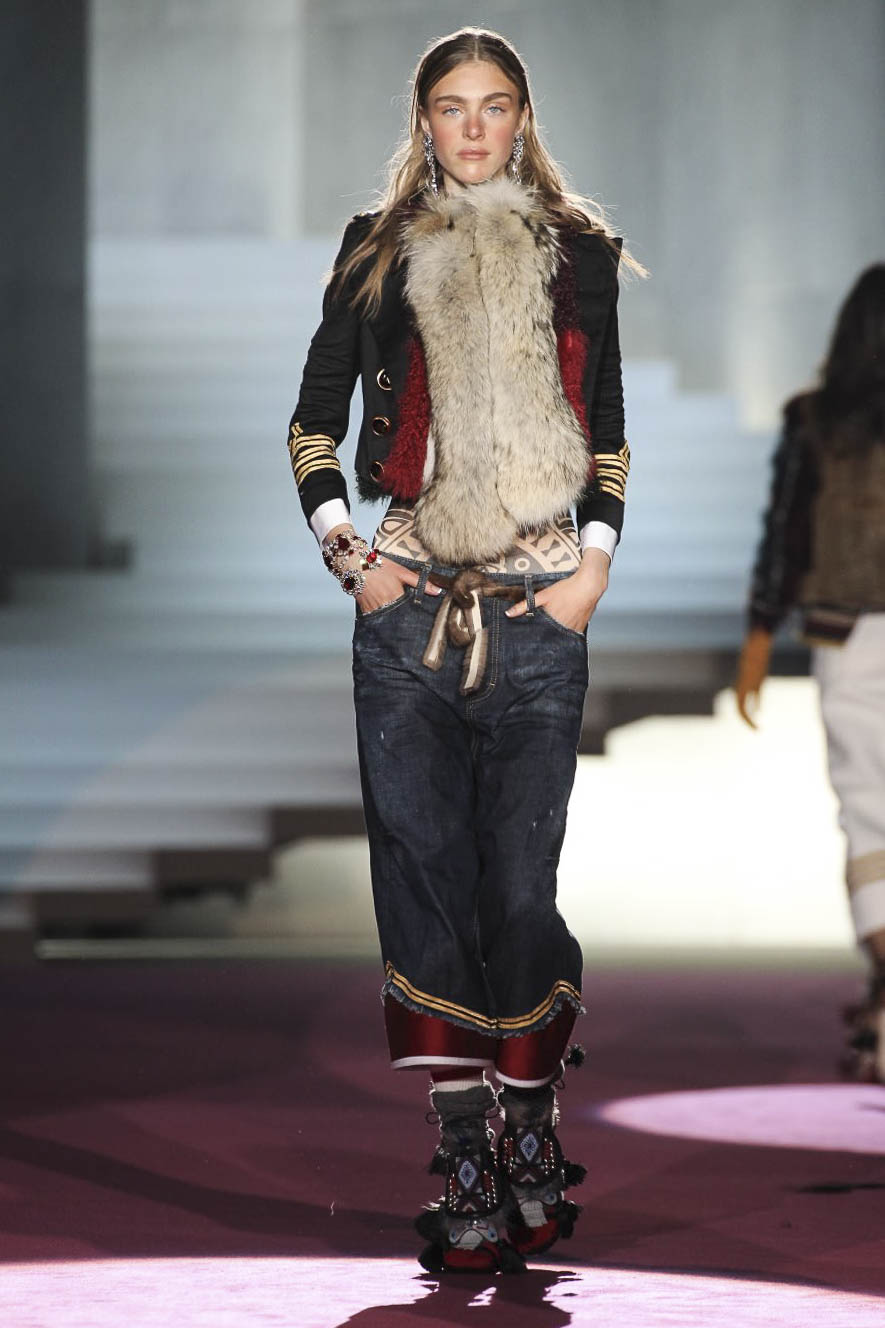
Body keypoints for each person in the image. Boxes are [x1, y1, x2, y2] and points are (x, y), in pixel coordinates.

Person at [287, 26, 640, 1273]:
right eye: (452, 106)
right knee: (421, 879)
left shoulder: (579, 252)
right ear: (424, 119)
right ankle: (466, 1154)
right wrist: (353, 561)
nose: (475, 127)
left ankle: (530, 1122)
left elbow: (606, 427)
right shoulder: (375, 248)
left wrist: (593, 570)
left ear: (523, 118)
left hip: (541, 605)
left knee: (520, 888)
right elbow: (311, 424)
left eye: (495, 105)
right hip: (407, 609)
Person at [736, 264, 885, 1084]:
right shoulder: (810, 419)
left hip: (846, 638)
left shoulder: (813, 420)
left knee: (869, 819)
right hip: (846, 634)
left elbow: (785, 532)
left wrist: (760, 634)